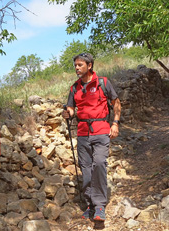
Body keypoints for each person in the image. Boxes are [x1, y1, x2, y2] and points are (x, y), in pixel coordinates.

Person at [62, 53, 121, 222]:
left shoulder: (103, 82)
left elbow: (116, 103)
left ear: (89, 66)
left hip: (101, 130)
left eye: (80, 65)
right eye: (75, 65)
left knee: (100, 164)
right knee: (86, 169)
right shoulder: (75, 88)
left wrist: (115, 123)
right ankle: (90, 205)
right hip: (82, 133)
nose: (77, 68)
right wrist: (68, 113)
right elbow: (72, 109)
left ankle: (100, 205)